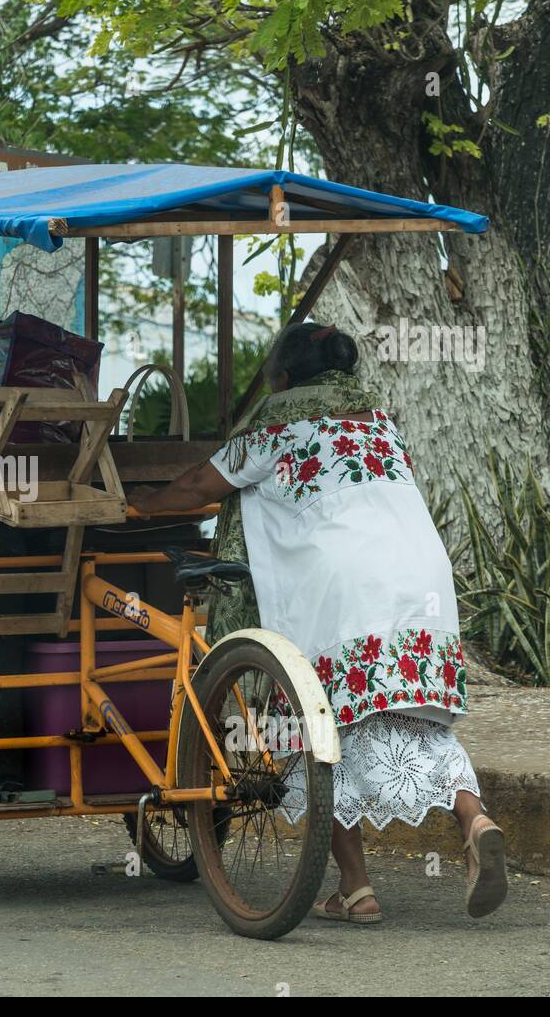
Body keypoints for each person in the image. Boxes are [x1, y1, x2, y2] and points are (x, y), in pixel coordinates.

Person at [129, 321, 507, 924]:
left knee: (315, 733)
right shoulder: (379, 421)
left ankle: (358, 888)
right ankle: (471, 822)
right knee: (414, 721)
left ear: (280, 377)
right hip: (419, 585)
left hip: (341, 591)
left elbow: (201, 483)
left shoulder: (276, 422)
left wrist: (138, 502)